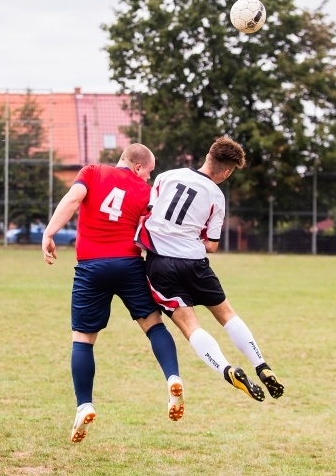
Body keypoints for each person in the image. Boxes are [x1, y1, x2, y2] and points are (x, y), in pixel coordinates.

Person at [42, 143, 183, 444]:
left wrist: (49, 232)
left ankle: (84, 405)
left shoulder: (92, 172)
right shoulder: (145, 192)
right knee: (153, 325)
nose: (149, 178)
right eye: (148, 172)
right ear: (138, 167)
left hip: (91, 267)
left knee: (83, 340)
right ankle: (172, 376)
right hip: (129, 265)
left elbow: (72, 199)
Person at [135, 136, 284, 402]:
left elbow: (148, 212)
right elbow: (212, 245)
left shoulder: (166, 177)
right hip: (195, 263)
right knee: (227, 315)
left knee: (190, 326)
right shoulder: (216, 196)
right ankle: (261, 364)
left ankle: (226, 369)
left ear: (207, 156)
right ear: (226, 172)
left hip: (161, 263)